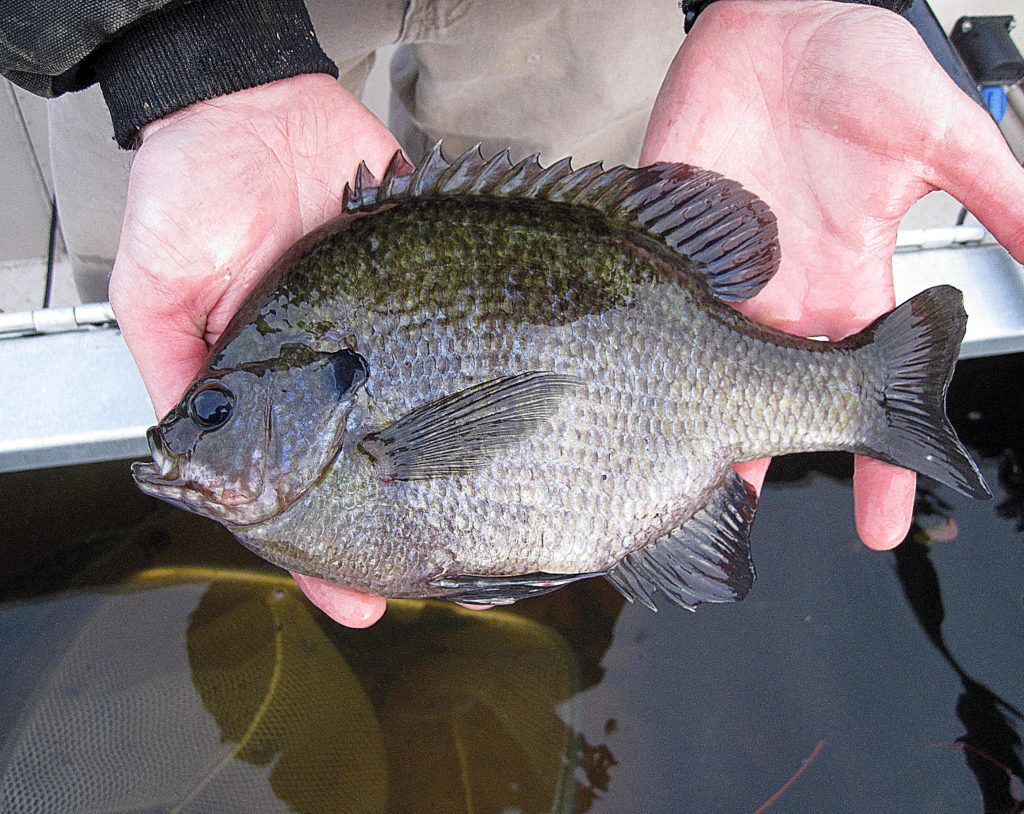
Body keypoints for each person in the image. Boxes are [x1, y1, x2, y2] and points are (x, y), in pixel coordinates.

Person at [3, 0, 1023, 628]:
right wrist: (187, 48)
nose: (190, 420)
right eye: (213, 408)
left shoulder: (322, 419)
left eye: (215, 408)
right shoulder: (292, 334)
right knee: (168, 272)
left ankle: (859, 391)